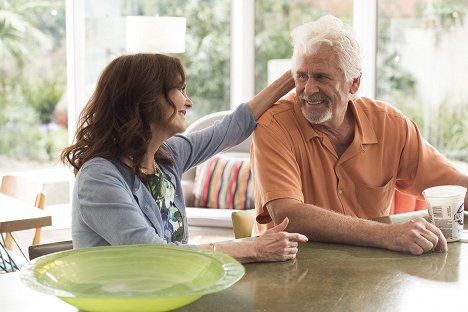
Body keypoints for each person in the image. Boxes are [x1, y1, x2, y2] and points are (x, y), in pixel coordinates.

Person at [250, 15, 468, 256]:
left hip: (369, 275)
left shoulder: (390, 124)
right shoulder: (273, 126)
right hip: (289, 272)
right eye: (301, 76)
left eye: (321, 77)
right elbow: (288, 215)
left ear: (354, 83)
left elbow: (454, 187)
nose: (309, 89)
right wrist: (388, 234)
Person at [61, 53, 307, 263]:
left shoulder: (167, 157)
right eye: (179, 89)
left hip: (168, 295)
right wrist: (253, 247)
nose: (188, 102)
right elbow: (154, 256)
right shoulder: (99, 178)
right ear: (146, 99)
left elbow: (233, 127)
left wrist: (294, 75)